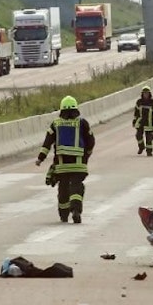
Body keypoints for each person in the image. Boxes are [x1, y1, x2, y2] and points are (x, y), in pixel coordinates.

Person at [35, 95, 95, 224]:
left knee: (63, 190)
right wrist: (87, 155)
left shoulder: (56, 124)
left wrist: (40, 158)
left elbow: (47, 143)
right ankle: (76, 210)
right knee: (76, 187)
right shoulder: (82, 123)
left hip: (62, 166)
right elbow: (91, 141)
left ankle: (63, 215)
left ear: (61, 110)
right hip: (79, 165)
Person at [133, 85, 153, 156]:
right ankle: (141, 147)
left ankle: (149, 151)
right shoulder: (139, 102)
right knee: (138, 135)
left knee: (149, 138)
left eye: (147, 93)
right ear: (142, 94)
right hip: (140, 122)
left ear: (149, 93)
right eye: (144, 93)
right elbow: (136, 112)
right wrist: (134, 120)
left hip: (149, 123)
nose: (146, 94)